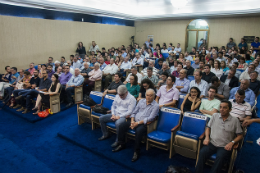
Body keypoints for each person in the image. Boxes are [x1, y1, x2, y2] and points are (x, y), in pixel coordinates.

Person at [110, 89, 159, 162]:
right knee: (121, 125)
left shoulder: (156, 106)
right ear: (145, 95)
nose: (148, 97)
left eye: (150, 95)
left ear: (154, 96)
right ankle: (121, 144)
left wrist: (137, 123)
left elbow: (151, 118)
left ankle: (136, 152)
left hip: (143, 124)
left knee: (138, 132)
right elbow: (134, 112)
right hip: (134, 121)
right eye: (147, 95)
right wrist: (132, 121)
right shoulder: (141, 101)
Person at [195, 100, 243, 173]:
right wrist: (207, 137)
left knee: (220, 157)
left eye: (224, 108)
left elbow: (240, 136)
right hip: (212, 143)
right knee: (202, 152)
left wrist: (232, 142)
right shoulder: (215, 116)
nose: (221, 109)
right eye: (220, 107)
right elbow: (208, 127)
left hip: (224, 146)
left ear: (230, 109)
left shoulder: (235, 120)